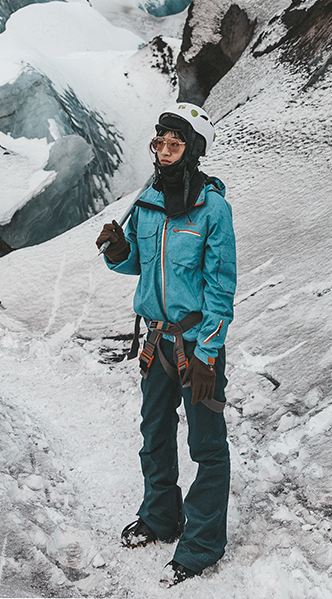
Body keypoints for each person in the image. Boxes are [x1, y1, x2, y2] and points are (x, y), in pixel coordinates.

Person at [97, 102, 236, 587]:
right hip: (157, 344)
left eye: (175, 144)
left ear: (193, 150)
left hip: (198, 348)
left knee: (207, 447)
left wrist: (208, 352)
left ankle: (200, 546)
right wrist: (119, 251)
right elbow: (138, 261)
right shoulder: (148, 197)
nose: (164, 152)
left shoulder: (212, 209)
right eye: (159, 143)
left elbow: (221, 288)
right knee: (154, 432)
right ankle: (161, 517)